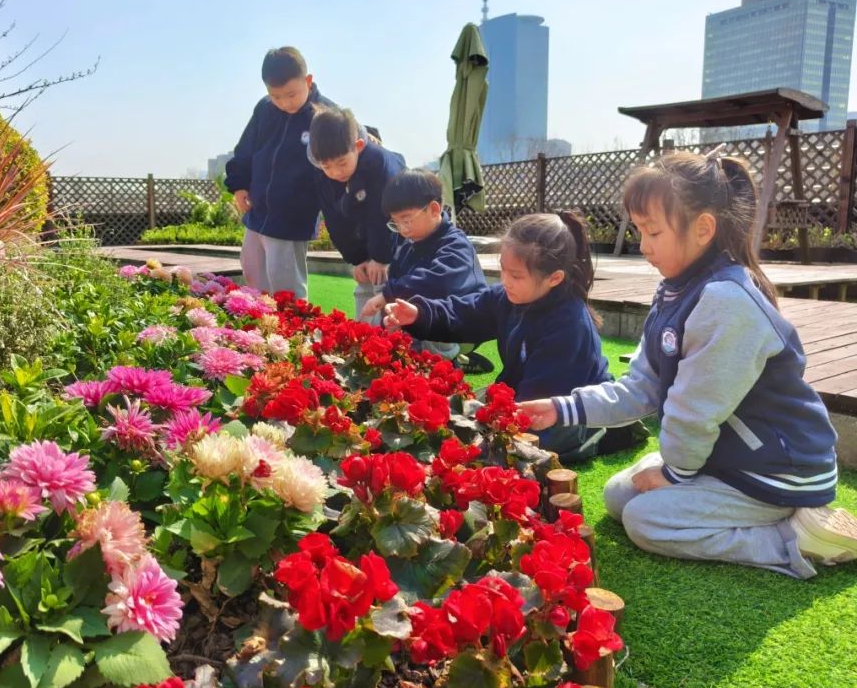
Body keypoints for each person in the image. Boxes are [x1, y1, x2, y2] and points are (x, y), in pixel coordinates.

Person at [519, 150, 857, 577]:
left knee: (645, 521)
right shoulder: (674, 291)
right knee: (618, 496)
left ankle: (794, 538)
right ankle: (706, 488)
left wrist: (676, 474)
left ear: (703, 229)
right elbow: (641, 387)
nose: (643, 247)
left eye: (653, 232)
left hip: (776, 472)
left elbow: (695, 410)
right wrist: (561, 408)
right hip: (727, 456)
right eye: (639, 230)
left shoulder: (726, 302)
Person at [383, 211, 644, 462]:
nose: (505, 280)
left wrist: (496, 423)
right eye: (503, 270)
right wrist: (420, 314)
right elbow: (466, 312)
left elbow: (539, 403)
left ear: (554, 278)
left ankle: (611, 433)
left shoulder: (569, 324)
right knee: (456, 410)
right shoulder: (508, 296)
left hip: (565, 410)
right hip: (523, 392)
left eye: (516, 275)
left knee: (508, 445)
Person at [224, 47, 331, 300]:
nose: (285, 103)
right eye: (276, 96)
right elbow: (246, 148)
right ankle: (259, 327)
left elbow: (350, 142)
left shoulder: (324, 116)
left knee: (286, 292)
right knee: (252, 277)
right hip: (258, 212)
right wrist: (239, 185)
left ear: (308, 81)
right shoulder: (265, 108)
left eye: (291, 94)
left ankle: (295, 328)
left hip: (291, 219)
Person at [359, 168, 487, 360]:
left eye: (406, 220)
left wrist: (388, 295)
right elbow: (397, 279)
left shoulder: (456, 244)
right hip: (422, 315)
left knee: (423, 341)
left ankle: (447, 361)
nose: (402, 229)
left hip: (463, 323)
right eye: (395, 223)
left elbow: (438, 282)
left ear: (434, 210)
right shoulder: (410, 245)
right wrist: (391, 315)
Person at [307, 105, 405, 323]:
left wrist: (381, 258)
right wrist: (357, 259)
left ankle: (390, 338)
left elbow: (383, 215)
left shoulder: (379, 162)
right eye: (327, 166)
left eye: (342, 163)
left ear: (358, 146)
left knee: (386, 286)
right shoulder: (321, 172)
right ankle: (363, 334)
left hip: (397, 236)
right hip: (364, 235)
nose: (336, 172)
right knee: (364, 284)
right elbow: (334, 219)